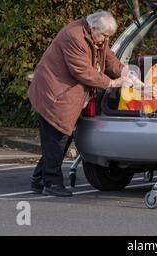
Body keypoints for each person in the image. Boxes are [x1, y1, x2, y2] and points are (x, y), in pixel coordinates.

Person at [28, 10, 139, 197]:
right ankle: (52, 183)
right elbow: (83, 71)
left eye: (108, 37)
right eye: (104, 35)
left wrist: (124, 72)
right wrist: (111, 83)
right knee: (56, 139)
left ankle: (39, 179)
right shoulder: (74, 36)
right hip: (55, 95)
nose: (105, 40)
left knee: (59, 139)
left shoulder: (97, 36)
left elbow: (108, 58)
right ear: (93, 27)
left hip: (66, 95)